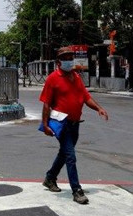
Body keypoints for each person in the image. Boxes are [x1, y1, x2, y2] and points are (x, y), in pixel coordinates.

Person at [40, 46, 109, 204]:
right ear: (59, 62)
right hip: (61, 123)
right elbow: (46, 104)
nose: (69, 61)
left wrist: (99, 108)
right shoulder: (53, 78)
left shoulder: (76, 77)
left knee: (64, 154)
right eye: (65, 58)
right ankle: (76, 191)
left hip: (75, 123)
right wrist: (45, 125)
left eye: (71, 58)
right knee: (70, 156)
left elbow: (86, 97)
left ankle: (50, 178)